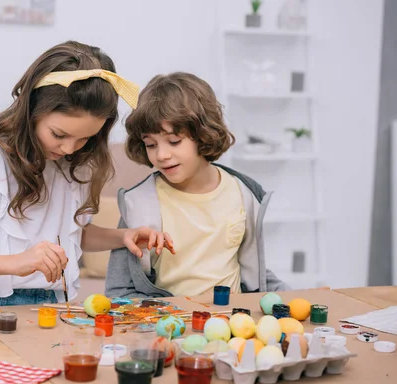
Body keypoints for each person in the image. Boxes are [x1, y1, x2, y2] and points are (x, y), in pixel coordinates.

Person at [0, 41, 173, 308]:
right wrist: (16, 263)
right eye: (59, 134)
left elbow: (71, 233)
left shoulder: (75, 162)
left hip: (52, 304)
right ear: (32, 110)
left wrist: (122, 237)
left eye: (85, 138)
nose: (69, 148)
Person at [105, 72, 290, 298]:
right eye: (151, 144)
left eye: (174, 141)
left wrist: (301, 297)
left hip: (231, 325)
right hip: (171, 327)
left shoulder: (244, 193)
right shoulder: (138, 204)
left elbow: (256, 277)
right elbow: (120, 291)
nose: (161, 155)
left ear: (203, 134)